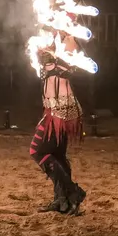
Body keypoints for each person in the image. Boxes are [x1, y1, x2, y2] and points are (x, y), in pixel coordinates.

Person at [29, 38, 86, 215]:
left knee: (37, 151)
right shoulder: (54, 34)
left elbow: (65, 57)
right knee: (57, 155)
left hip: (60, 112)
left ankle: (72, 191)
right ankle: (63, 201)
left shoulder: (68, 38)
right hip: (57, 109)